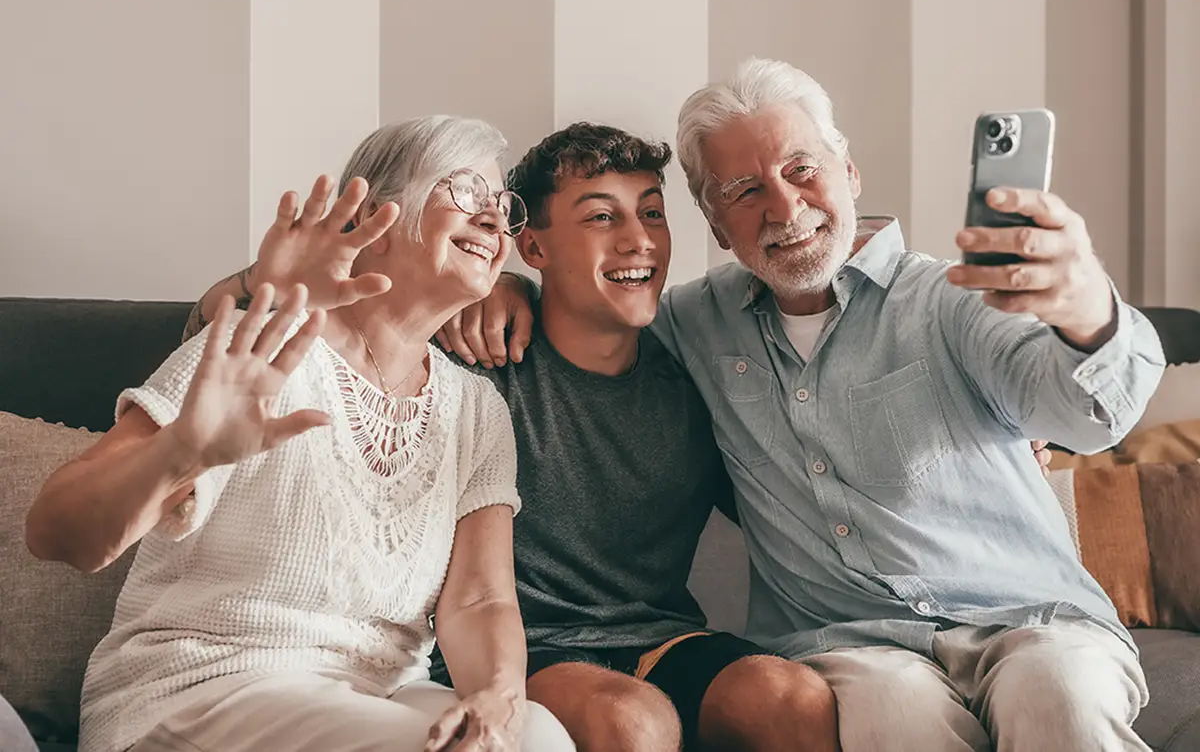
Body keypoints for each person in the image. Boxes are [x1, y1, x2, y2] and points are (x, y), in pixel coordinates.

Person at [452, 59, 1167, 752]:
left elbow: (1089, 415)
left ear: (847, 172)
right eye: (745, 189)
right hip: (860, 648)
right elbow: (593, 314)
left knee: (1058, 697)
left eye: (801, 170)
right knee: (890, 714)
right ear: (715, 222)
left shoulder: (953, 299)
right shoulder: (693, 326)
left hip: (1031, 621)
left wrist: (1087, 310)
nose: (785, 207)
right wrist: (499, 288)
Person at [186, 122, 841, 752]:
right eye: (601, 217)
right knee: (629, 723)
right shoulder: (471, 359)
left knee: (790, 701)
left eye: (651, 213)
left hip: (658, 635)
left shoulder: (697, 377)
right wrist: (488, 285)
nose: (639, 240)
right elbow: (220, 325)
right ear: (533, 247)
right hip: (511, 652)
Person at [25, 116, 575, 752]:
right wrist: (179, 454)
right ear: (375, 214)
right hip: (205, 686)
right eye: (464, 192)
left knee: (537, 737)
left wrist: (498, 696)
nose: (491, 221)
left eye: (501, 206)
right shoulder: (261, 348)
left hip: (377, 696)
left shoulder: (477, 409)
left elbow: (480, 600)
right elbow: (55, 533)